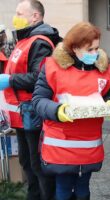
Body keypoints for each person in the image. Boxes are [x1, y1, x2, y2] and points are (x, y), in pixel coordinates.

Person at [32, 22, 110, 200]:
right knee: (63, 189)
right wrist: (58, 110)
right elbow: (38, 100)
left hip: (89, 145)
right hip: (61, 146)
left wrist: (108, 104)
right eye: (89, 49)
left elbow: (108, 95)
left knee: (84, 189)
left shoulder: (102, 69)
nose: (94, 54)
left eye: (97, 48)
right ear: (75, 48)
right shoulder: (53, 67)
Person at [0, 0, 60, 199]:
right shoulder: (25, 39)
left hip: (32, 112)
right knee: (27, 162)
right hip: (21, 113)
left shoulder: (40, 42)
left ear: (35, 16)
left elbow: (39, 78)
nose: (15, 17)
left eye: (19, 13)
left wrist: (10, 80)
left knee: (37, 163)